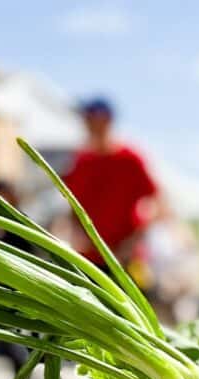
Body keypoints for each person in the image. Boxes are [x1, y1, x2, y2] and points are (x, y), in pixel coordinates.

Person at [63, 98, 159, 266]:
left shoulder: (130, 159)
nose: (88, 124)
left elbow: (155, 201)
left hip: (126, 258)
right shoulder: (81, 162)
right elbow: (72, 205)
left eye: (93, 119)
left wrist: (133, 240)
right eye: (86, 119)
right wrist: (75, 234)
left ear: (107, 121)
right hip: (89, 259)